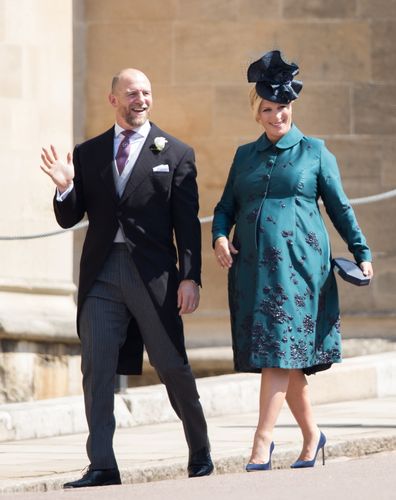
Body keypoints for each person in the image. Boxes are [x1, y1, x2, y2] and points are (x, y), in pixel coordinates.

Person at [40, 68, 213, 488]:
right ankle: (102, 464)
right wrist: (65, 188)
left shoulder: (175, 152)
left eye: (147, 92)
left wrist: (190, 277)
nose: (141, 99)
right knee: (96, 366)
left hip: (153, 276)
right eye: (132, 93)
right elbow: (70, 217)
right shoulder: (88, 152)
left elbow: (187, 225)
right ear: (113, 99)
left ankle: (200, 452)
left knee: (171, 365)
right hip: (101, 274)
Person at [212, 50, 373, 471]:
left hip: (299, 268)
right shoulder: (244, 155)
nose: (276, 115)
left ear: (291, 108)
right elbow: (225, 207)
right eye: (267, 108)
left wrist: (362, 252)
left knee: (278, 351)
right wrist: (218, 238)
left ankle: (261, 442)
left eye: (282, 107)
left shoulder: (316, 151)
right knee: (283, 355)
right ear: (257, 112)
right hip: (252, 269)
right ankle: (312, 436)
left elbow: (340, 208)